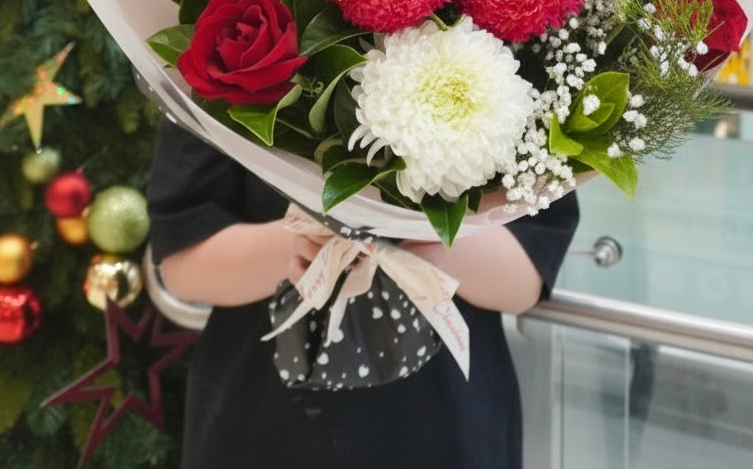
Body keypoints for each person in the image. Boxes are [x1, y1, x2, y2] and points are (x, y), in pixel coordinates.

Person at [147, 116, 579, 469]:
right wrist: (308, 239)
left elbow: (526, 278)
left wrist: (410, 226)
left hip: (447, 428)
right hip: (261, 427)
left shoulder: (514, 54)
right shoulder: (227, 38)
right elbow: (184, 263)